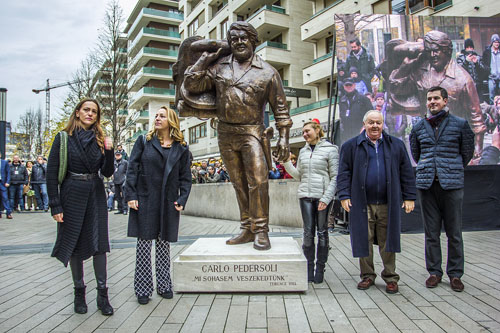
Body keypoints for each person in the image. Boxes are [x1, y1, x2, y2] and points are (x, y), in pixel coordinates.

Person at [183, 21, 292, 250]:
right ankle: (247, 228)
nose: (238, 43)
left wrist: (284, 138)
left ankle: (261, 229)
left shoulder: (269, 72)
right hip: (225, 132)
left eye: (243, 38)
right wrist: (206, 57)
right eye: (234, 40)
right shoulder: (219, 66)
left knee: (259, 182)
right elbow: (192, 84)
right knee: (239, 184)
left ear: (253, 41)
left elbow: (280, 109)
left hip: (252, 132)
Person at [47, 98, 115, 315]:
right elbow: (51, 173)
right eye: (86, 110)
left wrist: (110, 151)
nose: (90, 114)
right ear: (77, 113)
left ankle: (103, 295)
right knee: (74, 243)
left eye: (94, 111)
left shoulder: (99, 139)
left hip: (95, 192)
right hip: (71, 193)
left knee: (99, 244)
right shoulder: (63, 138)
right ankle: (79, 292)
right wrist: (55, 205)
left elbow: (106, 172)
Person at [337, 110, 416, 293]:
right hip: (361, 203)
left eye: (378, 123)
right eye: (371, 122)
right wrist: (344, 195)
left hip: (388, 203)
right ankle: (367, 275)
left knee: (388, 241)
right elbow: (344, 173)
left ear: (383, 125)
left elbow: (406, 172)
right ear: (364, 124)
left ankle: (390, 276)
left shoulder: (395, 145)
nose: (375, 126)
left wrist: (409, 197)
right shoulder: (351, 146)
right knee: (364, 239)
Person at [410, 86, 475, 292]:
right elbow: (416, 154)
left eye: (436, 98)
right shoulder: (419, 126)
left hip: (452, 185)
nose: (432, 102)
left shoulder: (460, 124)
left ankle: (455, 274)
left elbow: (467, 153)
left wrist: (449, 168)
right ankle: (434, 272)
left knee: (454, 233)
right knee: (431, 233)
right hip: (427, 185)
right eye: (429, 99)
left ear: (445, 101)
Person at [125, 106, 192, 305]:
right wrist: (131, 194)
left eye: (162, 116)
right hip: (145, 199)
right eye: (156, 115)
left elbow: (185, 178)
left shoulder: (181, 147)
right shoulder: (143, 141)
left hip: (168, 201)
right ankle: (143, 289)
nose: (157, 118)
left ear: (171, 121)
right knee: (144, 245)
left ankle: (164, 285)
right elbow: (132, 169)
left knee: (164, 245)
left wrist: (182, 199)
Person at [389, 30, 485, 160]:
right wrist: (405, 67)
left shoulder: (463, 79)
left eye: (436, 51)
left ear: (446, 51)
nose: (432, 55)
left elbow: (476, 116)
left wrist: (477, 148)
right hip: (427, 139)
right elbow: (397, 90)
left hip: (452, 141)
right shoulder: (422, 71)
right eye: (429, 51)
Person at [283, 120, 339, 284]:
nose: (305, 134)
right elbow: (299, 175)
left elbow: (335, 177)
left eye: (307, 131)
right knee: (308, 234)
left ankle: (320, 268)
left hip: (322, 197)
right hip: (305, 196)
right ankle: (308, 269)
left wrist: (326, 198)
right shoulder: (303, 151)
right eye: (303, 132)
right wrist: (286, 162)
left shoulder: (331, 149)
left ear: (317, 130)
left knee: (322, 232)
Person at [339, 78, 374, 143]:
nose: (349, 87)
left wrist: (365, 128)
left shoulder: (364, 99)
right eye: (347, 85)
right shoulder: (341, 101)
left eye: (350, 85)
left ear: (354, 85)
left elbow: (372, 115)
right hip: (346, 135)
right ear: (344, 87)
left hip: (361, 133)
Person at [482, 34, 500, 104]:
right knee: (491, 96)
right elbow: (483, 64)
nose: (497, 44)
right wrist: (488, 71)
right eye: (495, 42)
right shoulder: (487, 52)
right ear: (492, 42)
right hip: (491, 77)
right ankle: (493, 111)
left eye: (498, 42)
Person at [0, 152, 12, 219]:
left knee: (5, 198)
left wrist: (7, 182)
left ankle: (8, 213)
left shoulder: (4, 162)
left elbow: (8, 173)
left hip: (3, 183)